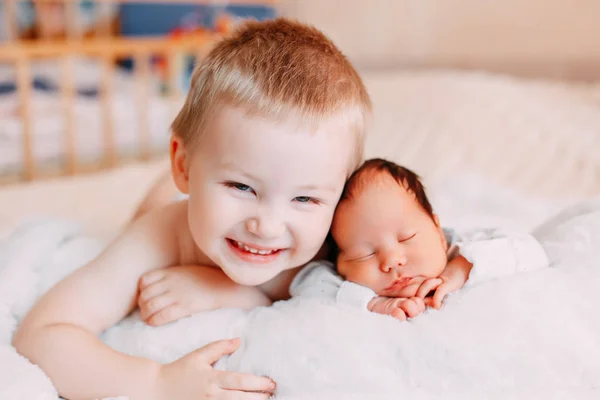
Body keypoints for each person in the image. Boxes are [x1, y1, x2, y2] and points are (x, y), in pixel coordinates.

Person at [13, 18, 371, 400]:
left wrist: (232, 291)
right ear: (182, 166)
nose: (266, 226)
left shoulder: (337, 240)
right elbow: (40, 334)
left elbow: (425, 247)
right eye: (241, 186)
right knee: (154, 204)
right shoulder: (160, 235)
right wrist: (156, 383)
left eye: (305, 198)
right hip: (171, 200)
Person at [289, 158, 550, 320]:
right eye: (365, 254)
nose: (391, 260)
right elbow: (304, 285)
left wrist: (463, 268)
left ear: (436, 228)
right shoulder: (345, 284)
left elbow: (531, 251)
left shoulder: (466, 247)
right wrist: (371, 302)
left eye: (407, 238)